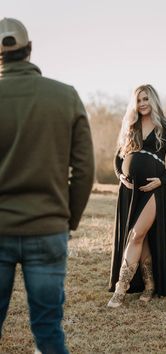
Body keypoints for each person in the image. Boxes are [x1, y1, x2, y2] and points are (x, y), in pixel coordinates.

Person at [0, 18, 94, 353]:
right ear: (29, 49)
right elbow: (84, 170)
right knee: (48, 328)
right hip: (48, 229)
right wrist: (67, 220)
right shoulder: (65, 96)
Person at [108, 84, 166, 308]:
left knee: (136, 234)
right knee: (141, 237)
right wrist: (120, 175)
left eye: (146, 98)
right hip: (129, 190)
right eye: (138, 100)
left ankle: (121, 289)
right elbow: (118, 158)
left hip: (152, 190)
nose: (142, 103)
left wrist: (162, 180)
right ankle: (149, 285)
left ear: (154, 99)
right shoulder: (130, 125)